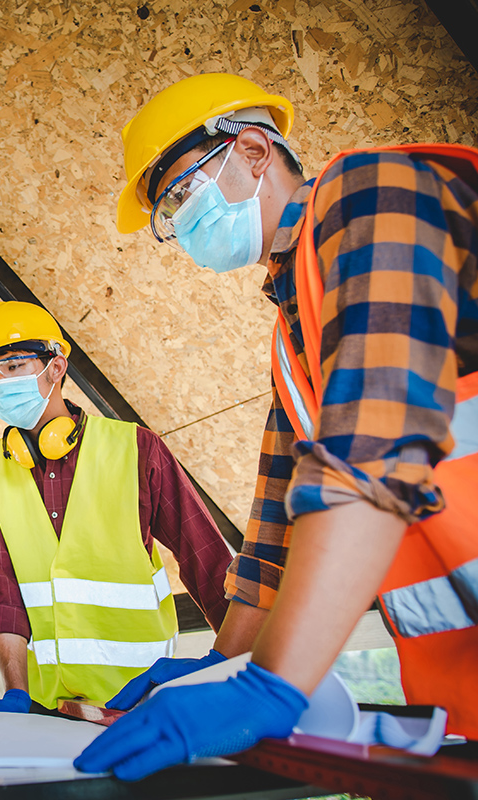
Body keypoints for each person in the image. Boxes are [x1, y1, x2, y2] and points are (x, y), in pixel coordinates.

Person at [76, 73, 478, 779]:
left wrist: (270, 686)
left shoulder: (373, 196)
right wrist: (215, 665)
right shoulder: (295, 329)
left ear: (256, 150)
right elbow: (273, 543)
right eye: (169, 218)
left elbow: (372, 449)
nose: (180, 224)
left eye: (178, 193)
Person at [0, 300, 234, 714]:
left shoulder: (138, 449)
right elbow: (0, 597)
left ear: (57, 367)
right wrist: (15, 692)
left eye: (13, 366)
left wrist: (239, 666)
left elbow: (208, 562)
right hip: (48, 707)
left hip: (144, 698)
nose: (0, 383)